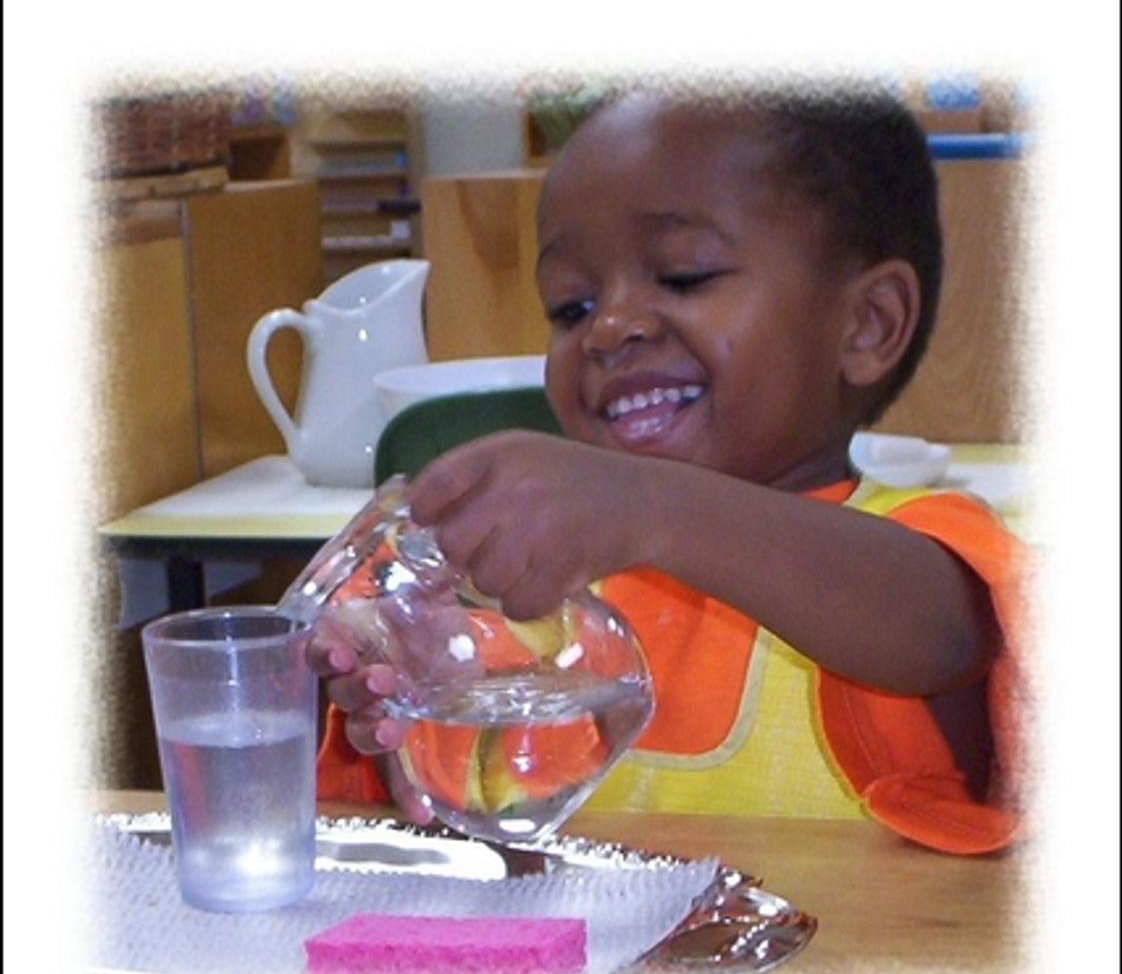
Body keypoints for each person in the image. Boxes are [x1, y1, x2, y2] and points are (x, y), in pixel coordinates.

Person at [309, 85, 1032, 855]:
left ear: (867, 323)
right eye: (571, 307)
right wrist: (423, 705)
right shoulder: (548, 612)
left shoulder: (920, 554)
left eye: (685, 276)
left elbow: (944, 634)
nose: (610, 329)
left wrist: (647, 506)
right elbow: (493, 825)